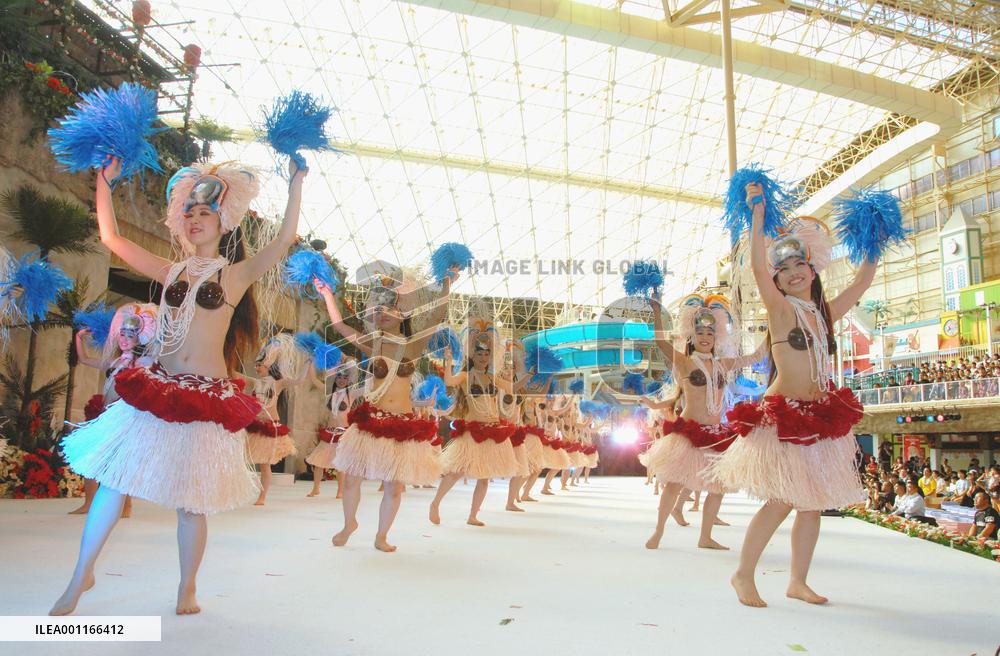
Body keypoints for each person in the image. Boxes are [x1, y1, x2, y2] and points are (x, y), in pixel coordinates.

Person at [53, 156, 306, 615]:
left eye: (203, 212)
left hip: (203, 396)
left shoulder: (235, 275)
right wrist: (104, 184)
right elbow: (111, 238)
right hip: (157, 387)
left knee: (192, 503)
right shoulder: (170, 271)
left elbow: (285, 239)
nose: (193, 219)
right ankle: (80, 576)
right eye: (187, 212)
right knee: (112, 481)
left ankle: (187, 587)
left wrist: (295, 185)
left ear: (224, 222)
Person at [713, 185, 878, 608]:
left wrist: (873, 235)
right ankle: (742, 574)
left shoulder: (824, 313)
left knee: (812, 504)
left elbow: (861, 281)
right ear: (777, 279)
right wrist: (758, 215)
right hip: (785, 415)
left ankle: (797, 581)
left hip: (821, 416)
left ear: (813, 267)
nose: (792, 272)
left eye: (798, 263)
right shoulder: (781, 309)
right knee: (783, 499)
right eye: (782, 268)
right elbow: (754, 266)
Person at [315, 263, 456, 552]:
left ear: (400, 312)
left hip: (401, 424)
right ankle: (349, 523)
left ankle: (381, 535)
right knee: (352, 476)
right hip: (370, 421)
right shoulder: (372, 344)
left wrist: (446, 284)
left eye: (387, 307)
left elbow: (437, 316)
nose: (380, 311)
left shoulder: (412, 346)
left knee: (394, 486)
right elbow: (341, 326)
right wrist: (328, 294)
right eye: (376, 307)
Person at [641, 292, 763, 551]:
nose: (705, 338)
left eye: (710, 334)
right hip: (688, 432)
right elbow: (661, 343)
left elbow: (756, 356)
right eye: (700, 334)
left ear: (716, 337)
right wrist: (656, 312)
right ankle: (659, 531)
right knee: (674, 484)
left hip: (716, 434)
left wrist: (774, 321)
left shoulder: (724, 364)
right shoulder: (684, 362)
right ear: (692, 337)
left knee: (717, 488)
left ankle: (705, 536)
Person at [68, 302, 157, 517]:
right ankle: (90, 502)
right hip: (106, 414)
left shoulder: (143, 362)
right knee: (91, 456)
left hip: (125, 416)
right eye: (122, 335)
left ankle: (125, 506)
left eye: (130, 336)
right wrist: (78, 339)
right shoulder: (115, 360)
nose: (124, 339)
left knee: (121, 462)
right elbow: (84, 359)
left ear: (139, 339)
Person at [243, 336, 307, 506]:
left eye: (260, 365)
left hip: (270, 427)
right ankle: (245, 492)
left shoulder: (277, 384)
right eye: (256, 365)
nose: (256, 367)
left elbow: (298, 381)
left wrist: (308, 364)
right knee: (245, 459)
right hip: (256, 426)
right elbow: (236, 375)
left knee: (265, 465)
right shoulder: (256, 383)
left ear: (269, 366)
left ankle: (262, 496)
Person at [306, 356, 361, 498]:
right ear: (335, 378)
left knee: (341, 465)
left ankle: (340, 491)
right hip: (329, 433)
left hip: (343, 434)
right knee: (318, 462)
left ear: (349, 379)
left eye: (344, 377)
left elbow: (368, 387)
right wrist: (310, 363)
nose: (341, 380)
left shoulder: (351, 394)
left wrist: (355, 365)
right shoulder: (329, 392)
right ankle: (316, 488)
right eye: (339, 377)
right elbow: (314, 380)